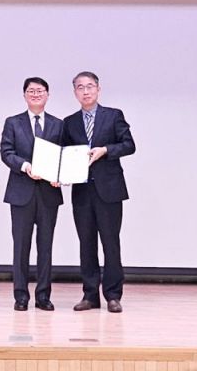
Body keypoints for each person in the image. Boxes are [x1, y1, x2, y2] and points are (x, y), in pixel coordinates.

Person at [62, 71, 136, 313]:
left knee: (110, 243)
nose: (86, 91)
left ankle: (113, 295)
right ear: (75, 92)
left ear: (98, 89)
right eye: (80, 87)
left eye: (90, 86)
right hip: (82, 191)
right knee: (86, 244)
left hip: (109, 190)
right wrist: (61, 174)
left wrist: (106, 150)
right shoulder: (69, 122)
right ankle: (90, 295)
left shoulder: (114, 115)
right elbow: (64, 154)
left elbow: (129, 145)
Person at [0, 76, 64, 311]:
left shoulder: (58, 124)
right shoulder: (13, 122)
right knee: (21, 247)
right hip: (21, 193)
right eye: (31, 91)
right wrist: (26, 166)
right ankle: (21, 296)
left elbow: (63, 155)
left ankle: (43, 296)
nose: (36, 94)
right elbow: (6, 152)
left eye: (40, 91)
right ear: (25, 95)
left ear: (48, 94)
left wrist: (61, 174)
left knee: (45, 247)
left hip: (48, 193)